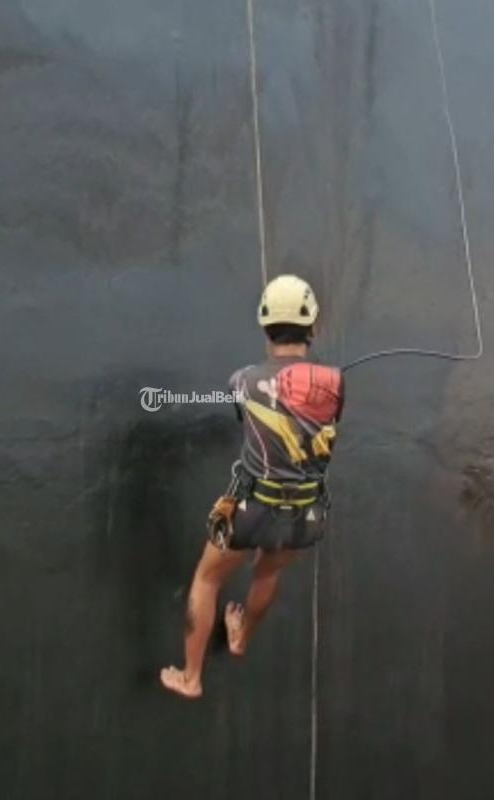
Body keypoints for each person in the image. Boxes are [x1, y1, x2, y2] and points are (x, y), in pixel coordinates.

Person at [160, 275, 345, 699]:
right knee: (267, 572)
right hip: (304, 516)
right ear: (312, 327)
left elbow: (247, 412)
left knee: (207, 580)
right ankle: (240, 637)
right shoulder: (337, 382)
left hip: (252, 509)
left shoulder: (242, 380)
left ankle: (190, 678)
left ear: (265, 327)